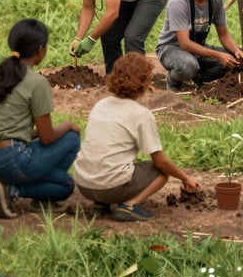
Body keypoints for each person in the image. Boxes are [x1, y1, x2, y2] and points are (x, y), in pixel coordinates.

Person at [74, 52, 200, 221]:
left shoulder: (100, 105)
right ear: (144, 83)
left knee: (112, 159)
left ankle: (101, 204)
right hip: (111, 186)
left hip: (84, 184)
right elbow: (160, 162)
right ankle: (129, 206)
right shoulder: (141, 114)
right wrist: (185, 177)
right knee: (160, 173)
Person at [0, 18, 81, 218]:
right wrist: (68, 125)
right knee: (65, 182)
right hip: (9, 160)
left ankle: (7, 186)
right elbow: (47, 137)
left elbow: (8, 127)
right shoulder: (36, 82)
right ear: (40, 49)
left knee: (54, 162)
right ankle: (13, 192)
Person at [157, 0, 243, 91]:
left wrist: (236, 51)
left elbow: (224, 34)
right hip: (171, 48)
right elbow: (184, 43)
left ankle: (199, 78)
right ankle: (173, 79)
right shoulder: (179, 3)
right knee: (188, 66)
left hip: (197, 48)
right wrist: (218, 55)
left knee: (234, 61)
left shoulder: (216, 0)